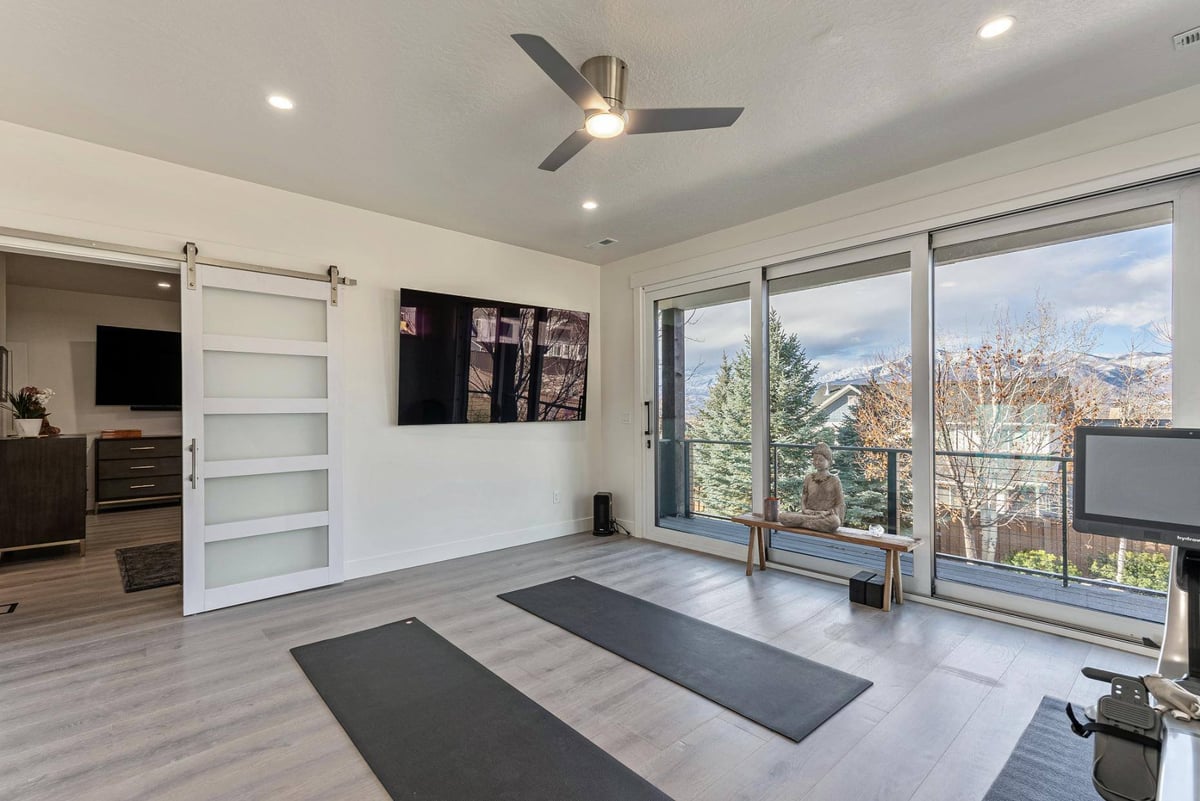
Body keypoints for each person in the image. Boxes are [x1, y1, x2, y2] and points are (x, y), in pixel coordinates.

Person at [778, 442, 844, 532]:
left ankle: (803, 524)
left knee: (834, 522)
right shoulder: (809, 478)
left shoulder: (834, 480)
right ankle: (810, 524)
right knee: (782, 517)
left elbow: (840, 503)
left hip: (825, 515)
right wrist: (804, 510)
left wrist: (827, 512)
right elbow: (804, 497)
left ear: (829, 462)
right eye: (814, 459)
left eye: (821, 460)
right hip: (809, 514)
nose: (817, 462)